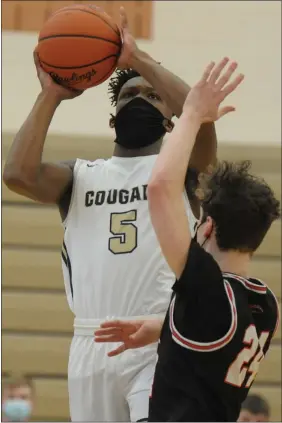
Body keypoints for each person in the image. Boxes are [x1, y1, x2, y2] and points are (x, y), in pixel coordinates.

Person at [3, 8, 217, 423]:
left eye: (150, 96)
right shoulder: (78, 176)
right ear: (111, 118)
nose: (138, 99)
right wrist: (51, 94)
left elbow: (201, 116)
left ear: (173, 121)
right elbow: (17, 175)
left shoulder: (179, 171)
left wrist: (137, 61)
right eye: (127, 97)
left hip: (159, 336)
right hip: (90, 344)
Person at [95, 58, 280, 422]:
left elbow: (161, 188)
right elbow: (216, 334)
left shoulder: (208, 290)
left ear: (207, 227)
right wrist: (164, 326)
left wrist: (193, 114)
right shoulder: (264, 302)